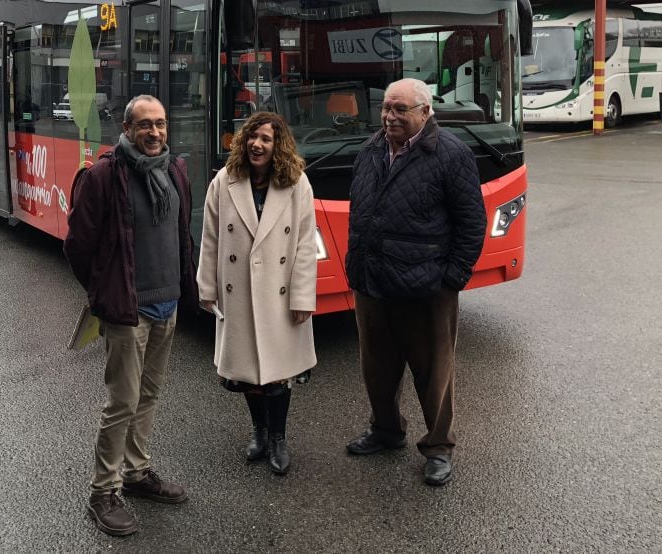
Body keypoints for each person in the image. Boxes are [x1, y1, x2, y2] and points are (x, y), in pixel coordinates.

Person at [64, 94, 198, 537]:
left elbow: (181, 235)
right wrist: (105, 293)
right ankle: (102, 491)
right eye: (145, 125)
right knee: (121, 402)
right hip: (128, 310)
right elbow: (78, 246)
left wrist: (186, 286)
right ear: (126, 129)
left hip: (167, 304)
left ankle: (137, 473)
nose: (154, 132)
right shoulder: (103, 176)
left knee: (149, 395)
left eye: (160, 124)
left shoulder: (175, 171)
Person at [344, 78, 486, 487]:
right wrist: (356, 265)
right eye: (386, 108)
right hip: (372, 282)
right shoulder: (371, 148)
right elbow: (361, 210)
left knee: (434, 373)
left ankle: (438, 447)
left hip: (428, 288)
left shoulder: (451, 154)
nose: (389, 116)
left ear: (425, 112)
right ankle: (386, 431)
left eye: (400, 109)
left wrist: (452, 278)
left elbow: (472, 223)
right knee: (378, 369)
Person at [197, 111, 317, 476]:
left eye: (265, 138)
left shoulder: (297, 183)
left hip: (277, 296)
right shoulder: (224, 180)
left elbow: (305, 246)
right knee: (248, 373)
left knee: (277, 374)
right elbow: (211, 238)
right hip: (240, 295)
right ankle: (260, 433)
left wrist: (301, 297)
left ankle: (279, 439)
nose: (256, 144)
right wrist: (207, 288)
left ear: (278, 145)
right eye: (251, 136)